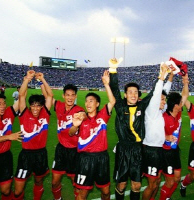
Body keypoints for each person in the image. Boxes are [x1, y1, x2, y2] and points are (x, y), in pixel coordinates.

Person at [109, 58, 156, 200]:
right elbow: (114, 89)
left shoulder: (142, 106)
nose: (133, 95)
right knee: (122, 185)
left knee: (136, 185)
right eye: (130, 92)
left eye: (136, 92)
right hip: (123, 150)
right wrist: (113, 70)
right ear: (125, 95)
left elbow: (154, 93)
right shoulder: (120, 106)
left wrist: (162, 76)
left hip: (137, 150)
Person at [73, 70, 116, 200]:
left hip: (102, 158)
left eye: (91, 101)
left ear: (97, 104)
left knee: (106, 191)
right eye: (86, 101)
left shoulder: (103, 116)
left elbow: (112, 101)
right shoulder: (80, 117)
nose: (88, 103)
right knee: (82, 193)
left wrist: (106, 84)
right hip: (85, 159)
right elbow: (71, 133)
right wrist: (75, 125)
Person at [13, 70, 53, 200]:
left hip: (41, 154)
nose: (35, 109)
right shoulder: (24, 114)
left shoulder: (45, 114)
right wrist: (27, 80)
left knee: (38, 181)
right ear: (30, 106)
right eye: (33, 106)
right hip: (26, 155)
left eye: (38, 106)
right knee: (18, 190)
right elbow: (22, 96)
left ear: (42, 107)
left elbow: (50, 96)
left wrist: (43, 80)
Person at [142, 65, 173, 200]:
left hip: (159, 150)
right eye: (162, 100)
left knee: (158, 181)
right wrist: (161, 77)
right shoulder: (151, 110)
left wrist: (171, 76)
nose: (164, 102)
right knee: (152, 183)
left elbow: (164, 92)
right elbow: (157, 94)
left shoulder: (160, 110)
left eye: (165, 100)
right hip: (150, 150)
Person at [51, 83, 86, 200]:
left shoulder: (78, 110)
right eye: (67, 95)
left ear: (76, 96)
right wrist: (42, 80)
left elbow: (83, 115)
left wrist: (81, 117)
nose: (70, 97)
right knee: (55, 182)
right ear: (63, 96)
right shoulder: (59, 106)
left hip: (74, 151)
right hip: (61, 149)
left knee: (75, 183)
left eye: (72, 95)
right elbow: (49, 96)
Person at [159, 74, 189, 200]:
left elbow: (185, 95)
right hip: (165, 153)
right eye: (180, 103)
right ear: (175, 105)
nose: (182, 103)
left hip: (175, 151)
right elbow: (154, 133)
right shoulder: (164, 118)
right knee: (170, 181)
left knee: (177, 178)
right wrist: (166, 136)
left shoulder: (178, 112)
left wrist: (185, 82)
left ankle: (167, 197)